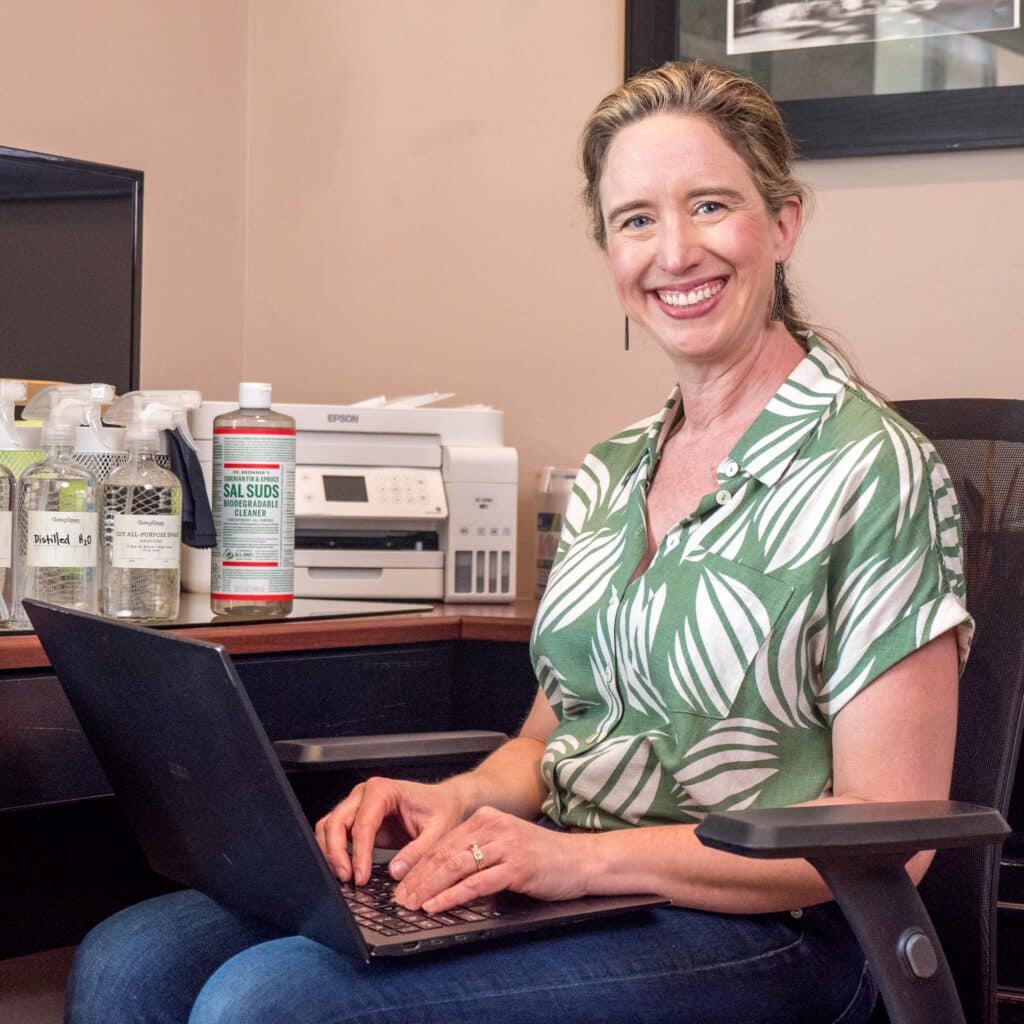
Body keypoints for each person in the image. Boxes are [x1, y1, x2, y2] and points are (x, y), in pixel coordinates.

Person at [65, 60, 972, 1024]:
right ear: (609, 251)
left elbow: (889, 834)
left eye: (710, 205)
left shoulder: (875, 468)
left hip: (774, 933)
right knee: (133, 961)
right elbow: (554, 739)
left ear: (782, 223)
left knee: (274, 1003)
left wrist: (581, 860)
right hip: (579, 884)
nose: (674, 251)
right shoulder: (616, 468)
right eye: (635, 220)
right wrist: (458, 797)